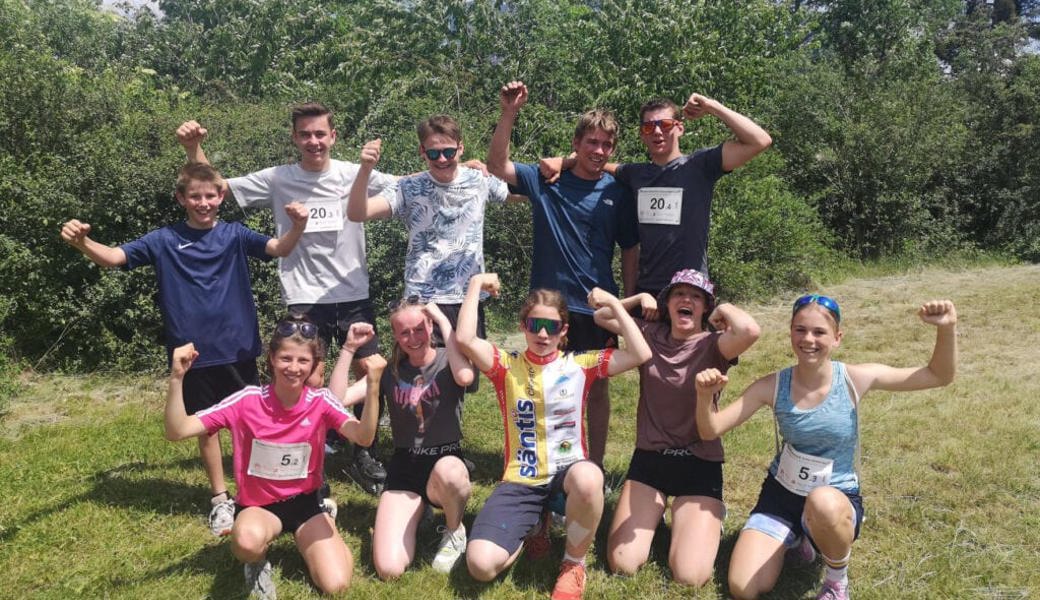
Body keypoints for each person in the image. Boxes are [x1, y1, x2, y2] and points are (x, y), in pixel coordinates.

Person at [60, 163, 307, 536]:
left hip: (238, 347)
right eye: (195, 196)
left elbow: (278, 247)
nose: (203, 202)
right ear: (181, 198)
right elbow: (113, 257)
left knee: (254, 424)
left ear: (222, 196)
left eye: (210, 195)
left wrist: (298, 226)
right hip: (190, 354)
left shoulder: (235, 234)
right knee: (206, 428)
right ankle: (221, 499)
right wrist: (81, 244)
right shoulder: (163, 240)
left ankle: (259, 492)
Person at [177, 105, 396, 494]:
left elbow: (409, 184)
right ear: (295, 138)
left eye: (320, 134)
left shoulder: (354, 173)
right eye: (305, 134)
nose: (313, 141)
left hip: (352, 291)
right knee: (308, 378)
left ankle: (364, 453)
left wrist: (461, 167)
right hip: (303, 295)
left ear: (334, 136)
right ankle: (313, 459)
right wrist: (194, 148)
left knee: (370, 370)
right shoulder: (279, 178)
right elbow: (215, 189)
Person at [694, 296, 958, 600]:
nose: (808, 339)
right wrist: (704, 396)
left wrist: (946, 328)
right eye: (800, 330)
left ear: (837, 338)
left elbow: (938, 375)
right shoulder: (772, 385)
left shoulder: (855, 379)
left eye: (819, 332)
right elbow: (710, 429)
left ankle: (836, 581)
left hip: (836, 497)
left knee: (821, 502)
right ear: (790, 333)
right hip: (781, 496)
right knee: (744, 588)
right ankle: (801, 539)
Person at [456, 273, 651, 600]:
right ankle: (533, 526)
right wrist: (475, 283)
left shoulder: (581, 364)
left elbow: (640, 354)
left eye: (552, 326)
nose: (543, 334)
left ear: (564, 331)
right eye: (534, 326)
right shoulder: (506, 366)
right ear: (523, 326)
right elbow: (464, 339)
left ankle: (573, 563)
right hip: (521, 480)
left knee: (590, 477)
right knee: (480, 565)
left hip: (567, 480)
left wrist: (615, 304)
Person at [164, 318, 386, 599]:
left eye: (303, 361)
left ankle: (325, 518)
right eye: (286, 358)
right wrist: (177, 378)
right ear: (271, 358)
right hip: (260, 507)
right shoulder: (246, 400)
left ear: (314, 364)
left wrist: (374, 385)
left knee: (337, 585)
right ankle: (257, 564)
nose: (294, 368)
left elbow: (364, 437)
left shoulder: (320, 402)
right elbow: (177, 430)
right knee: (246, 542)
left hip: (306, 504)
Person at [487, 80, 639, 468]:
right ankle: (548, 462)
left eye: (606, 145)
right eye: (592, 142)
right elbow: (496, 166)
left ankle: (596, 465)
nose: (599, 151)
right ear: (577, 143)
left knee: (598, 387)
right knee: (544, 387)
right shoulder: (547, 180)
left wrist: (628, 304)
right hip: (550, 306)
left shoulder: (618, 191)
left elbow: (630, 249)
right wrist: (509, 114)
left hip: (596, 306)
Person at [594, 269, 760, 586]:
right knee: (622, 563)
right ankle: (662, 516)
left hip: (699, 462)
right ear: (667, 304)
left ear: (705, 308)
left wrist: (723, 310)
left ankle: (707, 521)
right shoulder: (648, 333)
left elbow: (750, 330)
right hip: (650, 459)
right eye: (679, 294)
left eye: (696, 296)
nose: (687, 300)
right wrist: (638, 298)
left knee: (690, 576)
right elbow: (602, 315)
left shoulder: (716, 345)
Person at [541, 93, 771, 299]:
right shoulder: (635, 174)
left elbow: (760, 141)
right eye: (649, 127)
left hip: (688, 290)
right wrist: (566, 161)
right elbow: (597, 164)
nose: (658, 132)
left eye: (666, 124)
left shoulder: (701, 165)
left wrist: (712, 107)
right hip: (647, 293)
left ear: (679, 127)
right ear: (642, 134)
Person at [347, 115, 523, 344]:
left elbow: (523, 193)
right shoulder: (408, 187)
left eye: (448, 152)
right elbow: (357, 213)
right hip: (421, 301)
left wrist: (569, 166)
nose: (441, 159)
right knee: (425, 377)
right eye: (433, 153)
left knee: (467, 375)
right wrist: (365, 170)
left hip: (467, 298)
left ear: (461, 148)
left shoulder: (480, 179)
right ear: (422, 151)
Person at [334, 299, 475, 578]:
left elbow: (466, 376)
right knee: (389, 568)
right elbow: (335, 400)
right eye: (404, 332)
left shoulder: (449, 359)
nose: (413, 338)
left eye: (419, 329)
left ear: (430, 326)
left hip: (444, 462)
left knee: (451, 473)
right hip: (405, 467)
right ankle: (419, 512)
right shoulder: (388, 370)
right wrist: (349, 349)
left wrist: (446, 323)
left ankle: (454, 529)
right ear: (396, 336)